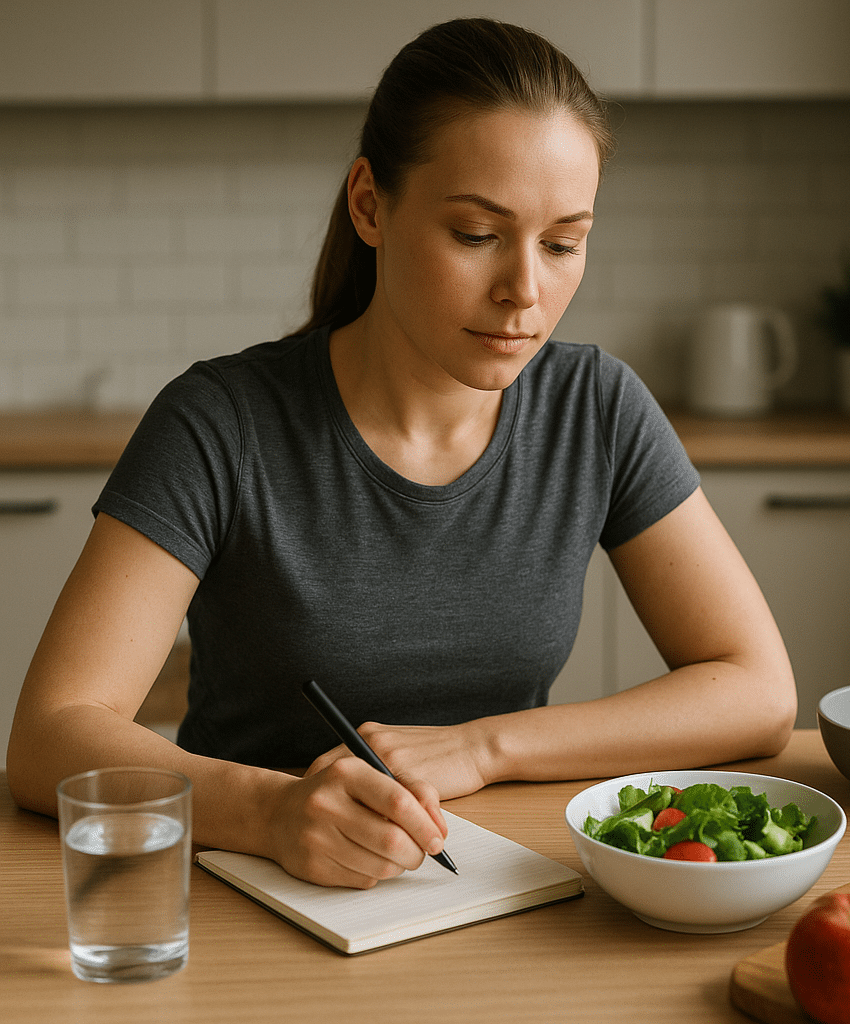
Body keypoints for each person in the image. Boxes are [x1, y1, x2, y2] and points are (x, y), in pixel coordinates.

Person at [6, 18, 796, 889]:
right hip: (251, 896)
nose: (525, 292)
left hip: (492, 885)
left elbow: (758, 692)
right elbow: (49, 734)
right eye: (476, 234)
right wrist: (268, 812)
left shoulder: (595, 408)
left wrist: (485, 746)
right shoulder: (221, 422)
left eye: (564, 243)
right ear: (370, 205)